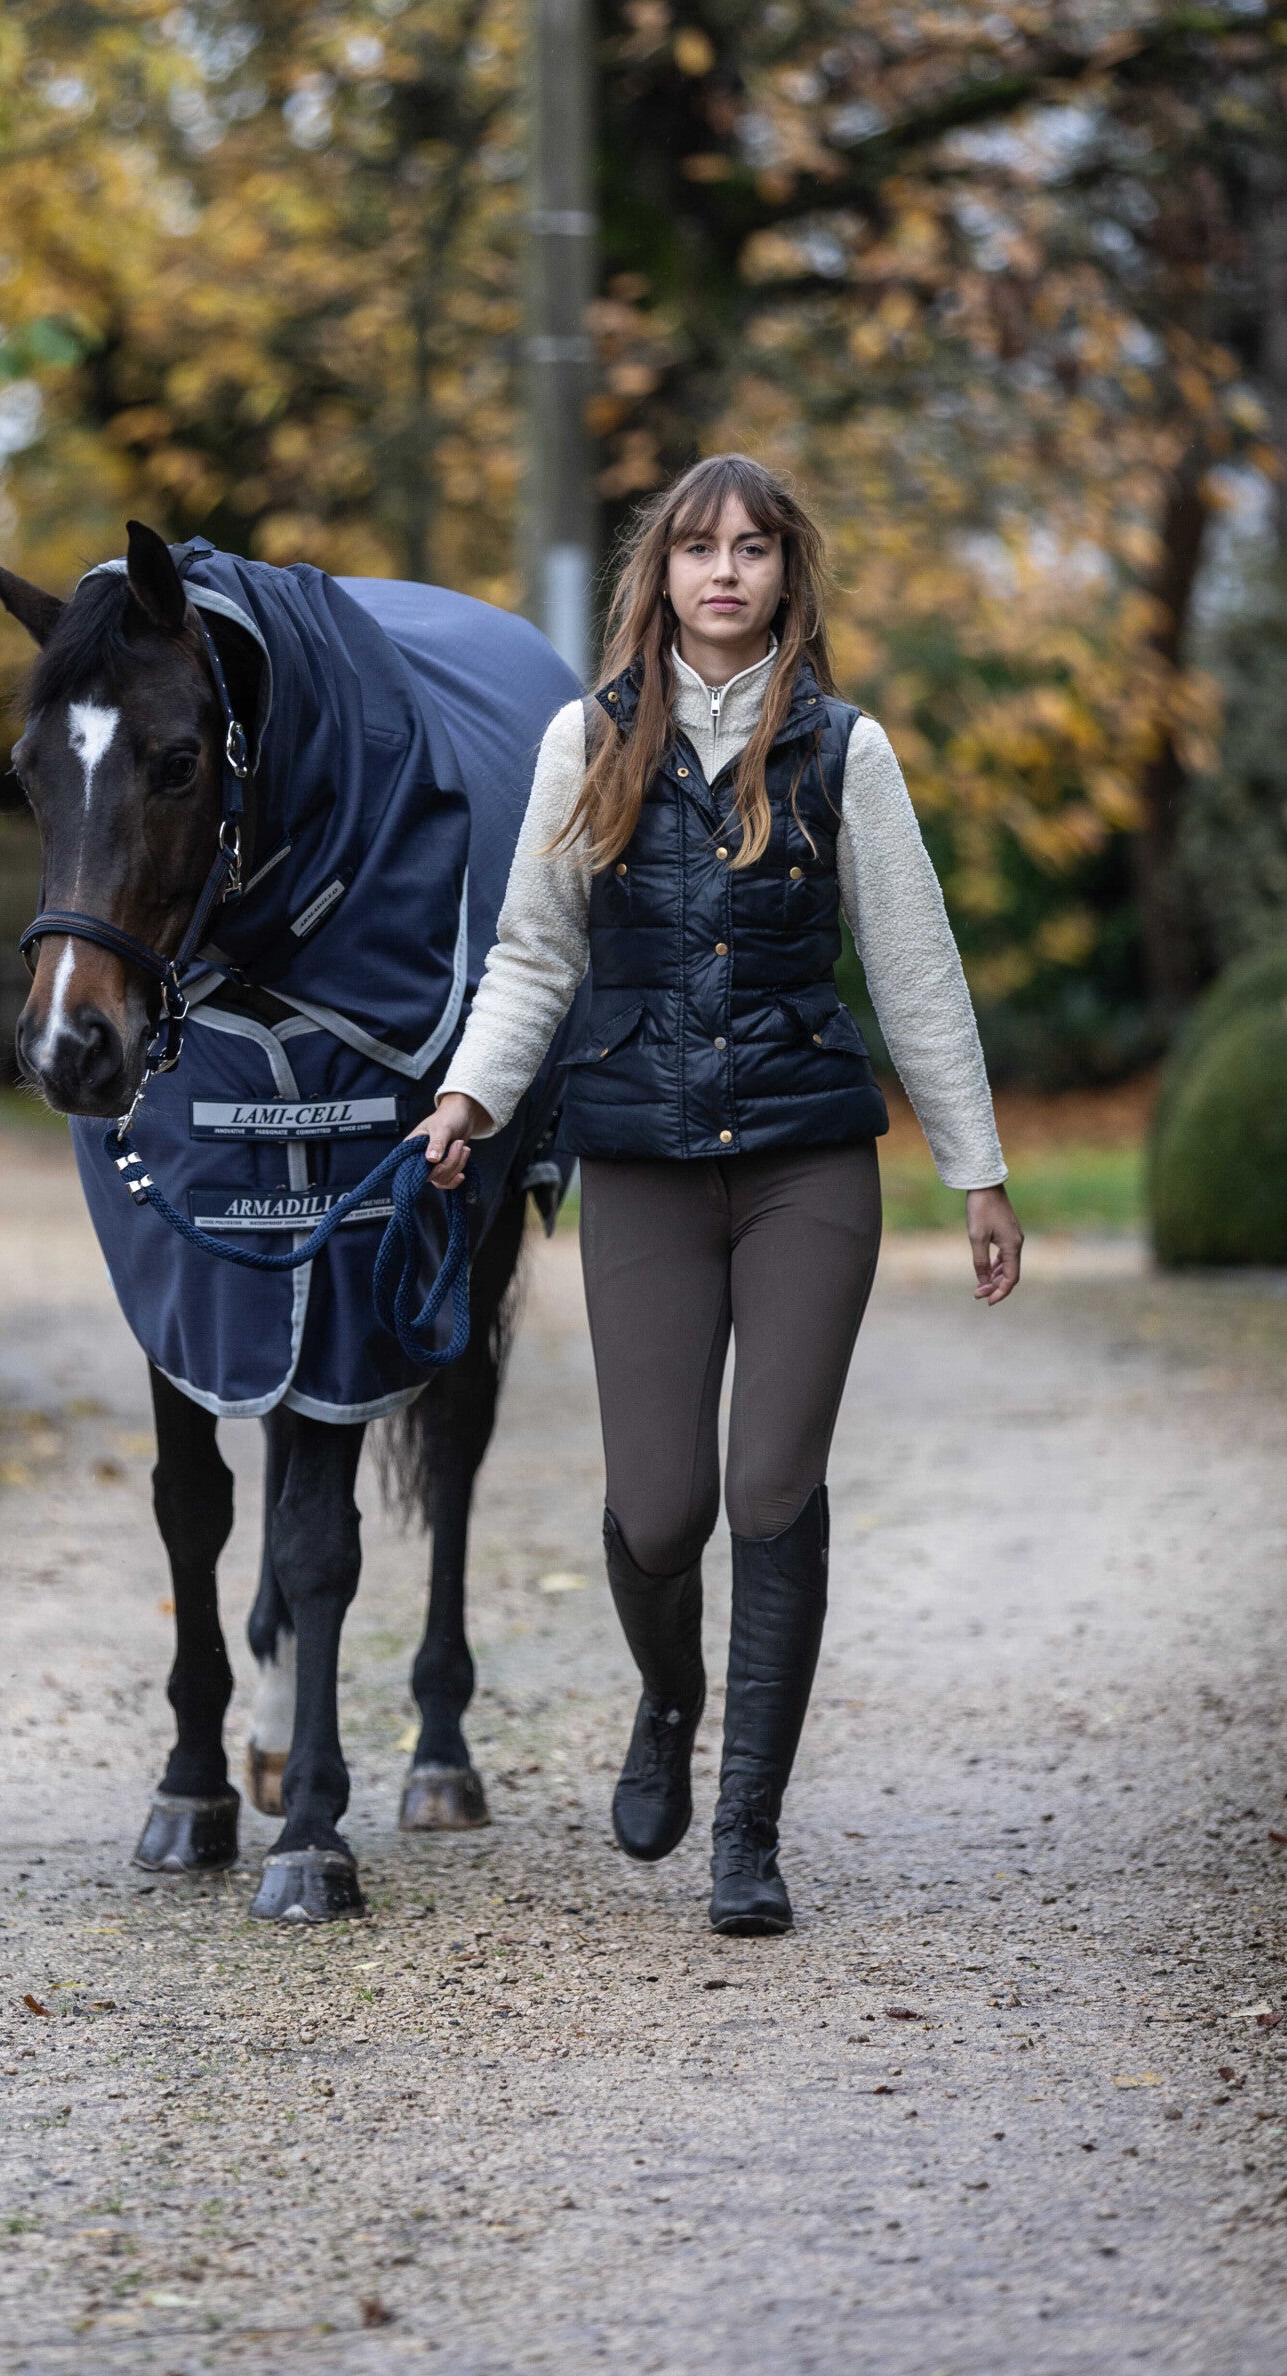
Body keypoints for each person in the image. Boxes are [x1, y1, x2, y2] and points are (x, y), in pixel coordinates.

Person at [415, 455, 1022, 1935]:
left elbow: (915, 967)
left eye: (753, 548)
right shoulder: (587, 738)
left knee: (769, 1490)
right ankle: (670, 1699)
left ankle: (747, 1830)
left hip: (807, 1162)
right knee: (657, 1508)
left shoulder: (844, 750)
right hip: (640, 1163)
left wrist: (979, 1170)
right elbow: (537, 952)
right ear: (665, 574)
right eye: (700, 548)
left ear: (787, 573)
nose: (727, 571)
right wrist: (470, 1096)